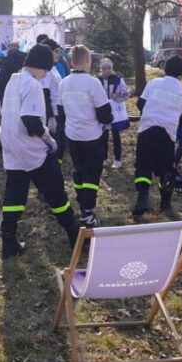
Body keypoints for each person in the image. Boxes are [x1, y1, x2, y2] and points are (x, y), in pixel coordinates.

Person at [0, 43, 79, 259]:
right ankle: (75, 233)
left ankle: (8, 241)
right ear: (41, 66)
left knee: (14, 194)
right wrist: (49, 140)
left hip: (11, 147)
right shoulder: (32, 85)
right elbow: (31, 121)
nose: (46, 75)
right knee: (55, 192)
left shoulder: (12, 81)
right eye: (47, 69)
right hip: (32, 150)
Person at [58, 45, 113, 228]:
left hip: (73, 136)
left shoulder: (63, 83)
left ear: (72, 62)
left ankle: (82, 204)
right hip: (92, 135)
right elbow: (104, 113)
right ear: (88, 60)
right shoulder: (93, 83)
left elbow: (60, 112)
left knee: (79, 171)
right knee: (92, 174)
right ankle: (87, 213)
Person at [133, 55, 182, 218]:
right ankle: (165, 202)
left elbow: (140, 103)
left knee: (143, 165)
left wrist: (151, 114)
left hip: (147, 129)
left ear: (165, 68)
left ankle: (142, 198)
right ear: (181, 72)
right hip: (167, 134)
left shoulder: (154, 83)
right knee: (166, 170)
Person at [98, 58, 129, 169]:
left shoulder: (118, 80)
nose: (107, 70)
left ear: (112, 68)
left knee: (116, 136)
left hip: (115, 113)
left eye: (109, 68)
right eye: (104, 68)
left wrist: (117, 97)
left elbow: (126, 94)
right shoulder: (97, 81)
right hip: (103, 112)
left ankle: (117, 159)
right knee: (103, 136)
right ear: (101, 69)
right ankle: (104, 158)